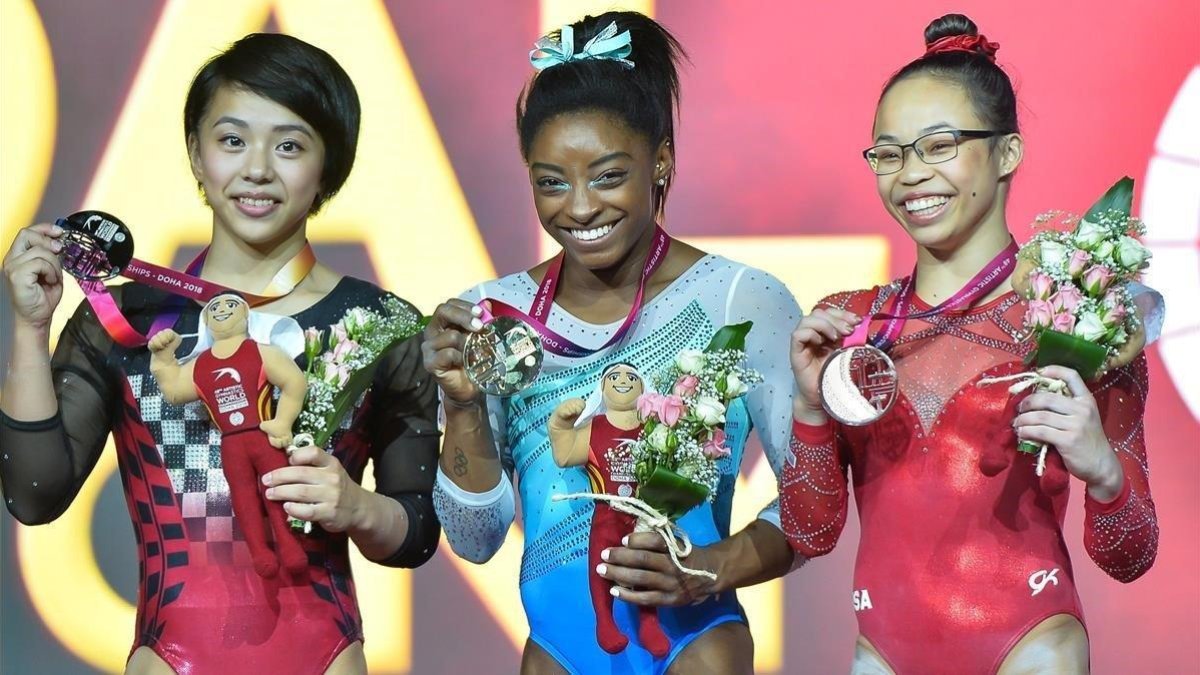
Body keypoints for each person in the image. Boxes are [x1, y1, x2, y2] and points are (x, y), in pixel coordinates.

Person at [1, 33, 439, 675]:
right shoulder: (130, 323)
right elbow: (34, 495)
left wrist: (359, 508)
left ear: (329, 168)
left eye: (289, 145)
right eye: (232, 140)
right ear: (196, 155)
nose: (256, 168)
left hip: (325, 657)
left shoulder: (380, 326)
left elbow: (417, 531)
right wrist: (29, 330)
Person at [780, 14, 1161, 674]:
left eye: (939, 146)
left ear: (1008, 152)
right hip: (883, 656)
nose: (909, 175)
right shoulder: (849, 326)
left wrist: (1101, 470)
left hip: (1032, 648)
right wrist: (812, 413)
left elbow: (1129, 554)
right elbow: (811, 532)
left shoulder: (1077, 321)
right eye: (889, 153)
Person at [423, 11, 801, 675]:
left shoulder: (740, 299)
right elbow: (475, 538)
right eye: (550, 181)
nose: (578, 207)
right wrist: (459, 404)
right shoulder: (495, 317)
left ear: (661, 162)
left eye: (606, 175)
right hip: (559, 652)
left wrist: (710, 568)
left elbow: (814, 496)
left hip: (695, 643)